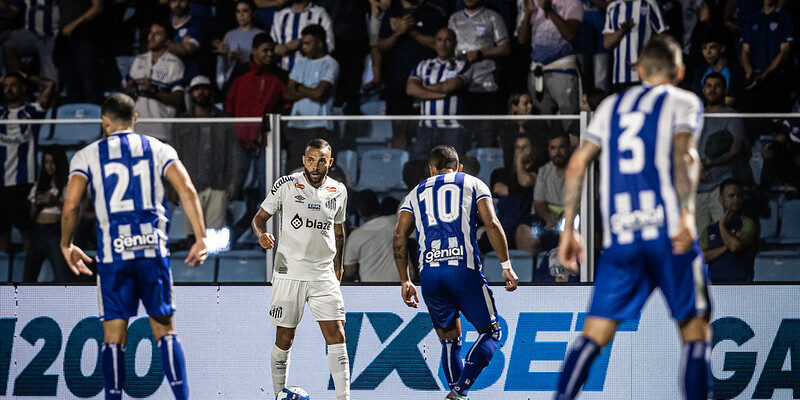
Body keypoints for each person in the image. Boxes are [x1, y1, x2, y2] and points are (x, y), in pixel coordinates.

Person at [553, 35, 712, 399]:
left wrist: (569, 231)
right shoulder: (683, 100)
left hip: (621, 238)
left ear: (638, 70)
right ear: (680, 71)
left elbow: (577, 163)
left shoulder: (610, 106)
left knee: (594, 334)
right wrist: (687, 214)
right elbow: (684, 155)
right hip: (669, 234)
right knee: (695, 330)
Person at [60, 93, 208, 400]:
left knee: (114, 336)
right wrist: (201, 237)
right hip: (152, 249)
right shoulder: (157, 148)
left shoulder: (88, 154)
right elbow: (187, 190)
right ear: (136, 119)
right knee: (165, 330)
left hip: (114, 255)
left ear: (105, 121)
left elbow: (72, 204)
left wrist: (67, 243)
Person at [393, 145, 519, 400]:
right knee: (492, 333)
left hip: (429, 273)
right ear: (459, 167)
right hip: (462, 268)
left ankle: (457, 395)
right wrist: (506, 266)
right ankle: (460, 390)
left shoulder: (415, 193)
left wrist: (405, 279)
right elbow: (491, 222)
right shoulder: (472, 182)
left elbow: (399, 236)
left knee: (450, 341)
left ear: (431, 169)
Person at [251, 138, 350, 400]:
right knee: (285, 336)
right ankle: (278, 394)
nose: (315, 165)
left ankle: (344, 398)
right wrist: (261, 235)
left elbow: (339, 231)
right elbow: (259, 219)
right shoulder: (285, 185)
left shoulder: (338, 190)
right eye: (310, 159)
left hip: (323, 274)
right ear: (303, 160)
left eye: (321, 160)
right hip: (289, 272)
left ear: (330, 161)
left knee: (337, 334)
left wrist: (338, 266)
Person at [172, 76, 240, 237]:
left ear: (211, 92)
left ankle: (213, 263)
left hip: (218, 183)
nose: (201, 92)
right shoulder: (181, 121)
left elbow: (234, 152)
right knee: (191, 236)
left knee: (215, 236)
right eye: (196, 89)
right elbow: (175, 154)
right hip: (189, 184)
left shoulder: (225, 118)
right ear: (191, 93)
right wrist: (172, 185)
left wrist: (234, 181)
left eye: (204, 88)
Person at [378, 0, 447, 149]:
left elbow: (439, 44)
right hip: (397, 82)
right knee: (399, 131)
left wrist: (411, 31)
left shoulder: (432, 12)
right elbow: (381, 46)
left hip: (426, 83)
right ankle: (401, 169)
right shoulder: (392, 12)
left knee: (425, 131)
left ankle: (424, 169)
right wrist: (399, 32)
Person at [225, 33, 287, 201]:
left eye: (271, 51)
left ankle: (264, 226)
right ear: (254, 51)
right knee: (235, 185)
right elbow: (229, 103)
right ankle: (234, 226)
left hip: (267, 141)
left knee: (267, 188)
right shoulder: (240, 72)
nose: (269, 54)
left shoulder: (278, 74)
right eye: (265, 50)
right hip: (240, 140)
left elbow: (286, 105)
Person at [0, 70, 56, 253]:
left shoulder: (32, 111)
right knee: (2, 237)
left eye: (13, 85)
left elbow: (50, 86)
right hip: (1, 184)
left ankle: (29, 280)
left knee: (27, 235)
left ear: (23, 88)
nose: (9, 89)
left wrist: (27, 76)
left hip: (24, 183)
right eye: (5, 85)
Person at [448, 0, 510, 147]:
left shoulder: (492, 17)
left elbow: (505, 48)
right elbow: (447, 47)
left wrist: (481, 54)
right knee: (460, 140)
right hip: (460, 88)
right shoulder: (454, 19)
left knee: (486, 137)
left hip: (485, 87)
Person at [695, 72, 750, 233]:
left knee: (725, 233)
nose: (712, 90)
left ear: (725, 90)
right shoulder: (695, 116)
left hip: (721, 186)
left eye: (717, 86)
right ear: (703, 89)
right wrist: (697, 168)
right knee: (701, 240)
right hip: (697, 187)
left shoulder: (732, 115)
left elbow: (736, 148)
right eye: (708, 86)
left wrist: (710, 164)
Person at [516, 0, 583, 132]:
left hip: (562, 69)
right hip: (537, 70)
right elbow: (522, 39)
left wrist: (550, 11)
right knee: (542, 122)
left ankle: (570, 151)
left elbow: (570, 34)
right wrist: (528, 14)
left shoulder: (572, 3)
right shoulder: (530, 3)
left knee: (569, 119)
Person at [406, 27, 473, 159]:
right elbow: (411, 89)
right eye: (439, 39)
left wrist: (423, 89)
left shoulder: (463, 65)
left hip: (453, 128)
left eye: (447, 40)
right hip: (426, 127)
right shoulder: (423, 65)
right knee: (420, 167)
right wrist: (440, 95)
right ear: (434, 42)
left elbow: (450, 86)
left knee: (451, 170)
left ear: (454, 42)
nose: (443, 44)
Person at [285, 24, 339, 172]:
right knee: (294, 172)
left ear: (320, 43)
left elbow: (320, 94)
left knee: (316, 172)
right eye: (303, 43)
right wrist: (310, 90)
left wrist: (299, 88)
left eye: (308, 43)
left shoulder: (330, 64)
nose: (304, 47)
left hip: (319, 125)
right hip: (296, 124)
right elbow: (287, 93)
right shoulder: (300, 62)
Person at [125, 21, 185, 142]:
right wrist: (131, 88)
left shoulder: (175, 63)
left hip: (160, 128)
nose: (151, 37)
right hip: (137, 127)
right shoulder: (139, 59)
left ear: (167, 40)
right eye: (150, 33)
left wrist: (153, 90)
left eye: (157, 34)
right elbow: (127, 94)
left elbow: (177, 100)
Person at [23, 149, 70, 282]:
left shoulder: (66, 185)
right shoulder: (38, 185)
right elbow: (31, 215)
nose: (49, 166)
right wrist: (38, 202)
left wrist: (54, 201)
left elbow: (69, 212)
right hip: (38, 232)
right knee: (29, 276)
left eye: (53, 163)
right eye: (46, 162)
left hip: (55, 232)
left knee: (61, 275)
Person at [739, 0, 794, 113]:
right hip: (754, 80)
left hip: (776, 80)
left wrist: (765, 74)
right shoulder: (751, 19)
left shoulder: (785, 18)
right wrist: (749, 70)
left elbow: (784, 52)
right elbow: (745, 50)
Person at [700, 179, 759, 283]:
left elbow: (735, 247)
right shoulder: (709, 230)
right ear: (720, 199)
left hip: (742, 285)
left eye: (739, 196)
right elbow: (702, 257)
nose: (736, 199)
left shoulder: (749, 224)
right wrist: (726, 246)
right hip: (715, 287)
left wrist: (721, 226)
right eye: (731, 196)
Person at [603, 0, 668, 91]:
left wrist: (648, 55)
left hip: (645, 73)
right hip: (620, 75)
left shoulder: (649, 3)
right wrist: (623, 30)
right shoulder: (613, 7)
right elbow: (607, 43)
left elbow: (663, 37)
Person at [343, 189, 398, 282]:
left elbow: (349, 271)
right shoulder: (397, 222)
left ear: (359, 211)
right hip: (404, 285)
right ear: (378, 205)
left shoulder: (356, 236)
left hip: (371, 289)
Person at [57, 0, 104, 104]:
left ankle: (94, 117)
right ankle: (75, 117)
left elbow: (97, 7)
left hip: (85, 37)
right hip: (66, 40)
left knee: (90, 84)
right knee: (71, 83)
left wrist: (74, 25)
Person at [2, 0, 59, 82]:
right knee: (9, 43)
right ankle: (18, 84)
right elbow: (12, 11)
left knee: (50, 79)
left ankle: (48, 88)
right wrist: (2, 6)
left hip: (51, 34)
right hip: (31, 32)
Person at [271, 0, 335, 73]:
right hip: (282, 73)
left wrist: (300, 43)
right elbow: (271, 42)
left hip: (311, 74)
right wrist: (277, 48)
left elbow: (329, 46)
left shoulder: (320, 14)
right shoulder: (280, 15)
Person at [213, 0, 265, 86]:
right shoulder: (229, 35)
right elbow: (224, 67)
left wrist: (243, 57)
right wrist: (225, 55)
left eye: (245, 11)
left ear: (253, 13)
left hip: (254, 81)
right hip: (234, 83)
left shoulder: (261, 35)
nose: (241, 15)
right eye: (238, 11)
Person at [689, 34, 744, 107]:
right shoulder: (699, 72)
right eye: (704, 48)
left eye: (712, 47)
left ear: (722, 48)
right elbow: (697, 99)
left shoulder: (735, 70)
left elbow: (731, 99)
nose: (708, 52)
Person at [168, 0, 205, 80]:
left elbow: (188, 49)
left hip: (187, 78)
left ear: (189, 3)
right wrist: (180, 45)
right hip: (167, 76)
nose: (177, 4)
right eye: (174, 0)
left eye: (182, 0)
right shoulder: (166, 22)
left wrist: (163, 45)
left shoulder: (194, 24)